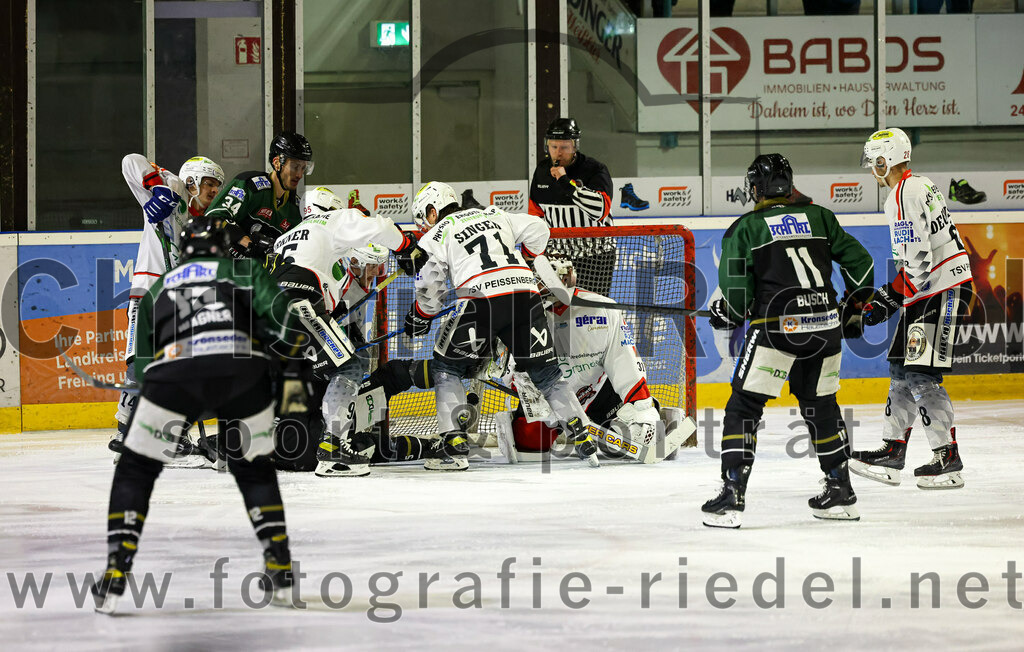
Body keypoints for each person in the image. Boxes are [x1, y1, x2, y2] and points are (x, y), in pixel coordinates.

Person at [90, 215, 307, 614]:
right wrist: (288, 376)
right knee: (254, 469)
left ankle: (116, 570)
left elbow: (140, 364)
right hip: (241, 372)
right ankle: (279, 567)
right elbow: (288, 329)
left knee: (136, 470)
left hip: (174, 377)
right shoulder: (244, 270)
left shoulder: (160, 286)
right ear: (223, 247)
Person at [701, 153, 874, 528]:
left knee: (743, 407)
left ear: (755, 188)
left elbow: (734, 293)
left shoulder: (745, 227)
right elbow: (863, 263)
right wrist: (856, 306)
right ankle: (840, 492)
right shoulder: (822, 217)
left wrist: (728, 313)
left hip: (777, 331)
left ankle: (732, 496)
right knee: (821, 407)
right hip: (825, 328)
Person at [405, 181, 601, 470]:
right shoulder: (494, 214)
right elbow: (539, 229)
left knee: (447, 368)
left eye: (424, 219)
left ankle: (453, 443)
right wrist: (531, 257)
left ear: (433, 212)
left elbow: (431, 292)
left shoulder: (436, 234)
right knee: (547, 374)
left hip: (481, 300)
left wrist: (419, 316)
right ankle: (581, 432)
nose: (424, 226)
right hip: (526, 295)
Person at [268, 187, 425, 478]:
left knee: (305, 372)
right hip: (296, 303)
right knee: (351, 365)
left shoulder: (284, 238)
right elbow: (380, 226)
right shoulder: (330, 222)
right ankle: (333, 446)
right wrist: (406, 246)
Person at [849, 128, 973, 490]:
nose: (872, 167)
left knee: (920, 375)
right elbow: (920, 259)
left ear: (884, 160)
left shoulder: (901, 195)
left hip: (938, 289)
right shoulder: (922, 184)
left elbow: (917, 262)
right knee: (901, 368)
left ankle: (947, 458)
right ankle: (893, 450)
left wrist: (886, 301)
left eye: (874, 160)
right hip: (933, 289)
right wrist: (889, 298)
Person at [493, 258, 696, 464]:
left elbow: (623, 359)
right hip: (545, 394)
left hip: (597, 391)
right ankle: (518, 422)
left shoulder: (604, 309)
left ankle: (656, 415)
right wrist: (532, 399)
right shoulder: (517, 315)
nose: (537, 286)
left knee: (624, 443)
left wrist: (641, 407)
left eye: (543, 280)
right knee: (531, 446)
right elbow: (508, 370)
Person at [110, 154, 225, 466]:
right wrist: (159, 190)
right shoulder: (172, 186)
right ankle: (126, 431)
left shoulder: (200, 224)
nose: (215, 190)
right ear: (193, 180)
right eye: (210, 183)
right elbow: (130, 161)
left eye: (217, 186)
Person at [528, 118, 615, 296]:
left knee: (593, 310)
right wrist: (537, 253)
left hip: (596, 256)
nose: (558, 153)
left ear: (574, 146)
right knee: (559, 311)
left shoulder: (595, 169)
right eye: (553, 147)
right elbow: (535, 213)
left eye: (564, 147)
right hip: (559, 257)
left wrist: (566, 183)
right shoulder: (542, 171)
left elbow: (601, 210)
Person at [205, 132, 313, 257]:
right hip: (228, 267)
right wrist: (249, 243)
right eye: (295, 166)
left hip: (262, 274)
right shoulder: (250, 185)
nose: (299, 174)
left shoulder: (295, 208)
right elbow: (213, 218)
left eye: (303, 168)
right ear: (277, 162)